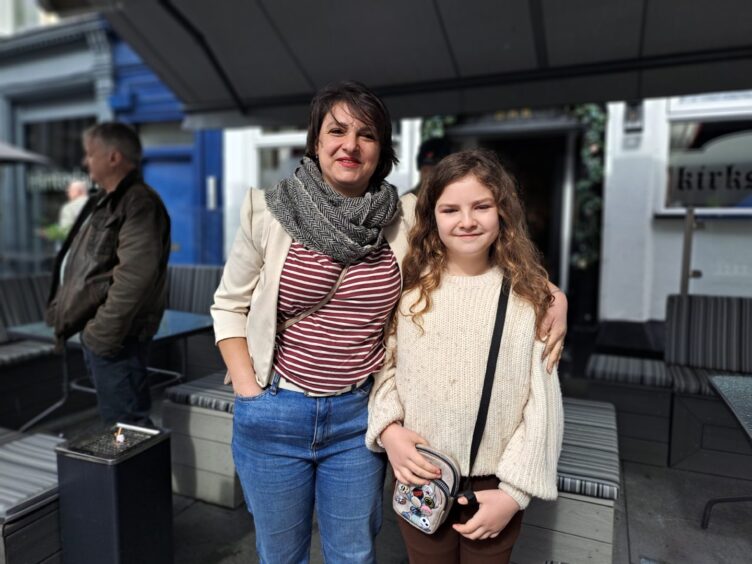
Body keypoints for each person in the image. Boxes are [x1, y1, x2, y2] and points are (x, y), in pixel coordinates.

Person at [211, 81, 567, 564]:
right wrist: (251, 392)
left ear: (383, 150)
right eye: (336, 131)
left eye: (367, 134)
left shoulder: (402, 217)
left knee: (355, 554)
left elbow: (477, 242)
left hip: (356, 417)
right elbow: (229, 305)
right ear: (315, 141)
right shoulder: (269, 211)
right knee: (280, 554)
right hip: (276, 409)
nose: (350, 145)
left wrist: (549, 293)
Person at [367, 150, 564, 564]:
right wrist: (389, 431)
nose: (467, 220)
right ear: (432, 217)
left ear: (503, 212)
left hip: (495, 485)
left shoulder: (530, 301)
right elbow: (387, 372)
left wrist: (514, 493)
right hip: (422, 474)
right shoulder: (410, 296)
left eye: (481, 206)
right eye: (450, 209)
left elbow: (543, 405)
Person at [45, 122, 171, 427]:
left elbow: (134, 278)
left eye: (90, 154)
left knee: (127, 429)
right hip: (107, 335)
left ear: (113, 157)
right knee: (121, 425)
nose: (86, 161)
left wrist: (100, 335)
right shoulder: (106, 200)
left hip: (117, 338)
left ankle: (143, 477)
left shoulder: (138, 202)